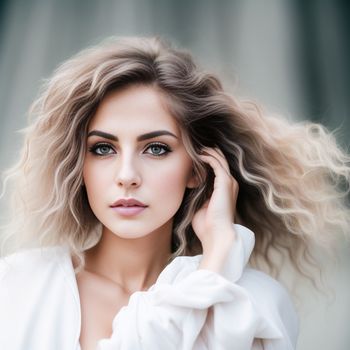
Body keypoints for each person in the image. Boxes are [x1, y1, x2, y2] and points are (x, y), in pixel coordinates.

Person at [0, 36, 349, 350]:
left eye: (156, 149)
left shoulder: (253, 306)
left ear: (198, 169)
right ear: (79, 164)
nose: (127, 177)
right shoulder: (17, 286)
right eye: (103, 149)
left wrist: (216, 264)